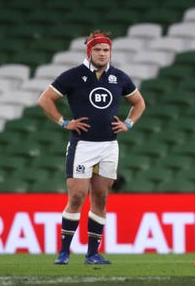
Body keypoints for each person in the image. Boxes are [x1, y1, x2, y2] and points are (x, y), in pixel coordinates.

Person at [38, 31, 146, 265]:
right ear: (89, 51)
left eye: (106, 50)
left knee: (101, 198)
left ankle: (92, 253)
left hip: (109, 145)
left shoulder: (119, 77)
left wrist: (128, 123)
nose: (102, 53)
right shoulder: (73, 76)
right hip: (82, 145)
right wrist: (64, 122)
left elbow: (139, 102)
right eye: (97, 49)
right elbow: (45, 99)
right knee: (77, 196)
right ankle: (64, 251)